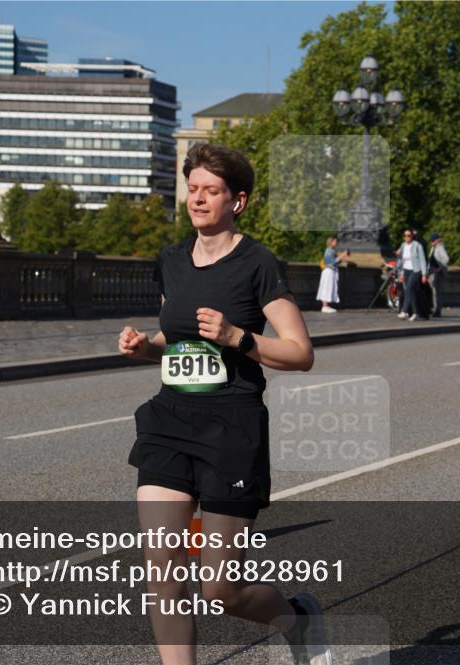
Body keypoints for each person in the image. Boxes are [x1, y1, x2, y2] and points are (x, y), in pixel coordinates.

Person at [118, 143, 333, 665]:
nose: (197, 198)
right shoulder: (170, 261)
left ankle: (297, 619)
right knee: (162, 567)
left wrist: (239, 336)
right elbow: (180, 339)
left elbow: (300, 353)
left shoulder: (257, 264)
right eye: (192, 188)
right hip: (169, 422)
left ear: (237, 201)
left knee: (220, 589)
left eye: (210, 190)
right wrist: (146, 346)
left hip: (231, 430)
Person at [395, 229, 428, 321]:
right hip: (406, 270)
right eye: (405, 235)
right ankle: (416, 312)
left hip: (415, 270)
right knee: (411, 292)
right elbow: (400, 260)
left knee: (408, 288)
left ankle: (404, 311)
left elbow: (422, 260)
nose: (406, 237)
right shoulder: (403, 245)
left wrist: (424, 274)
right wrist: (400, 273)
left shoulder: (417, 246)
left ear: (412, 236)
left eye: (409, 235)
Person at [316, 235, 349, 313]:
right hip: (328, 271)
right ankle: (325, 306)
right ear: (331, 242)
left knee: (329, 287)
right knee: (326, 288)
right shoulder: (329, 251)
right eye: (335, 241)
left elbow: (336, 261)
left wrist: (341, 257)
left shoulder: (331, 250)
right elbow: (331, 262)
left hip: (330, 271)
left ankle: (326, 305)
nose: (336, 243)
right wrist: (342, 256)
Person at [427, 233, 450, 317]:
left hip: (437, 274)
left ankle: (437, 310)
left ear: (437, 240)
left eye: (433, 240)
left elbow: (446, 259)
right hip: (432, 273)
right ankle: (435, 309)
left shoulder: (440, 248)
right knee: (434, 292)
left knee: (436, 293)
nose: (431, 242)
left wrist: (439, 268)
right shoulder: (434, 248)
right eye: (431, 241)